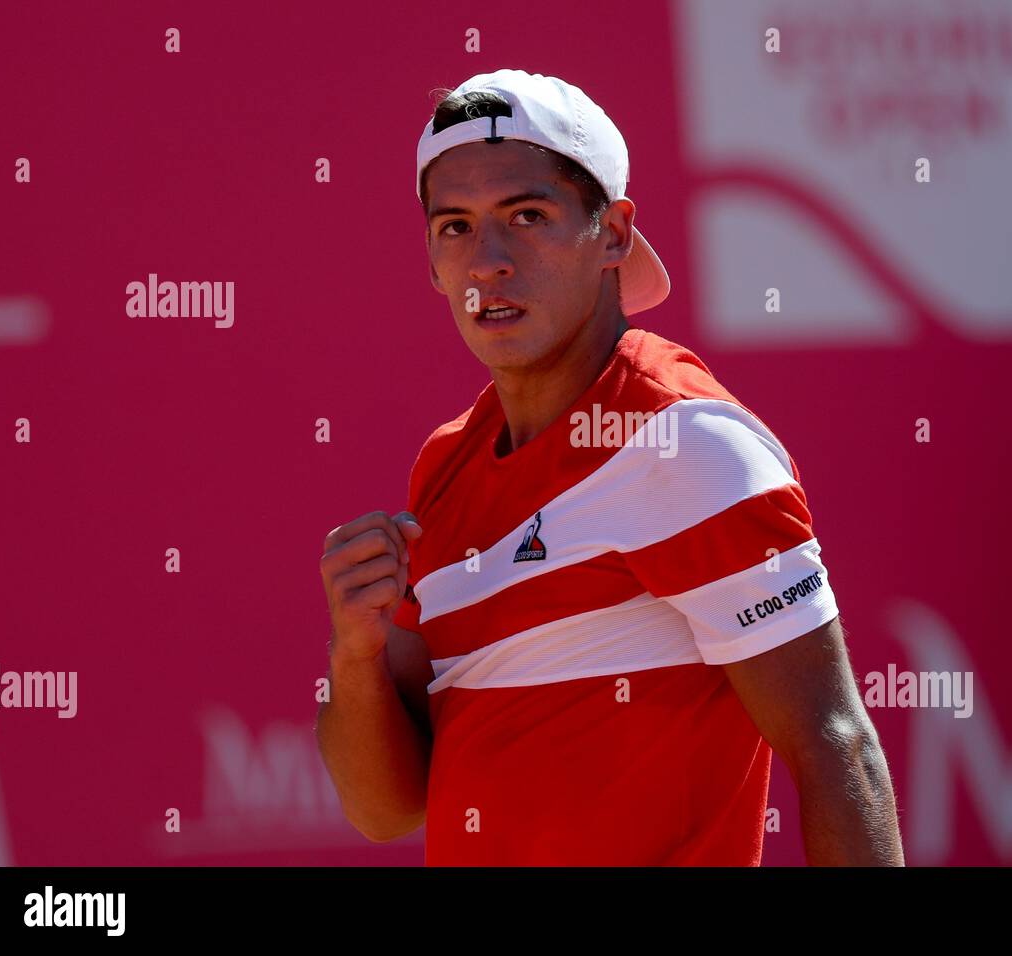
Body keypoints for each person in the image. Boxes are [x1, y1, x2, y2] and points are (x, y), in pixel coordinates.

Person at [316, 69, 903, 866]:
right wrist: (355, 657)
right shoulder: (445, 465)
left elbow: (836, 748)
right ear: (430, 259)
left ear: (615, 234)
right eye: (455, 227)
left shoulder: (689, 439)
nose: (487, 260)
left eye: (527, 216)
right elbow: (386, 809)